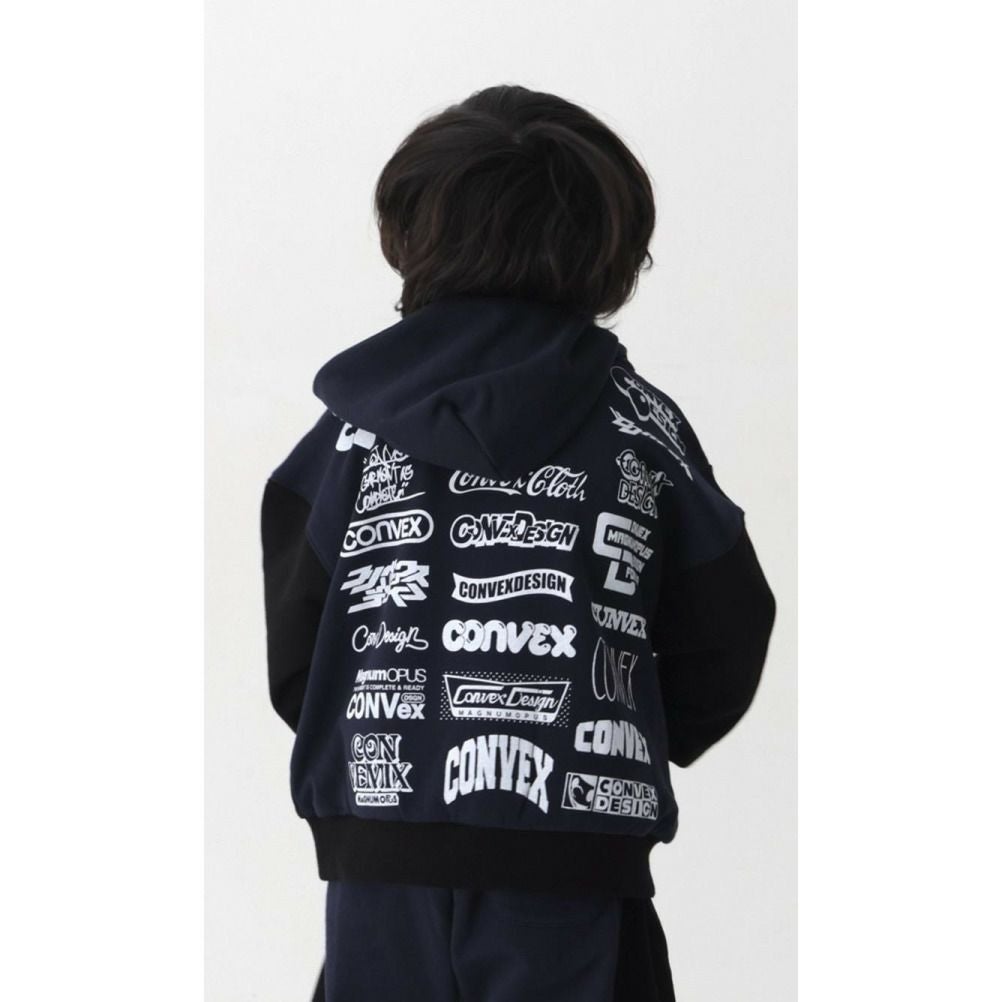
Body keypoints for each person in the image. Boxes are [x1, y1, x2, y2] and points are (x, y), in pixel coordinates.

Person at [261, 84, 776, 1002]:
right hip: (578, 867)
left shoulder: (347, 435)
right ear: (611, 251)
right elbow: (729, 628)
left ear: (411, 233)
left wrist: (385, 746)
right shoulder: (642, 430)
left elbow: (301, 643)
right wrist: (627, 727)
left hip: (378, 864)